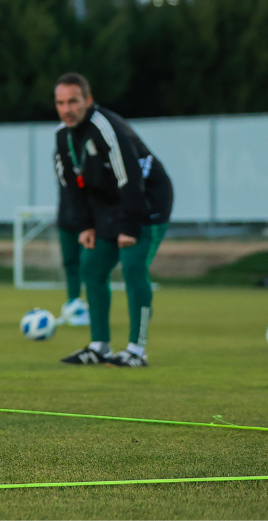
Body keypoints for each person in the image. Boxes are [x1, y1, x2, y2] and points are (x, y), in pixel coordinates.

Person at [54, 72, 173, 368]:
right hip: (107, 207)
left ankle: (137, 349)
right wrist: (84, 225)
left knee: (133, 267)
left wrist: (129, 225)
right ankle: (99, 346)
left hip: (146, 203)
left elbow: (129, 178)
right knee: (91, 266)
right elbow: (70, 185)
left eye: (73, 101)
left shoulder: (106, 129)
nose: (66, 109)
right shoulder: (62, 137)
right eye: (60, 103)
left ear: (88, 100)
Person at [53, 149, 89, 326]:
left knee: (90, 265)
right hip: (66, 218)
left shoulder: (91, 150)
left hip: (90, 221)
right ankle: (73, 306)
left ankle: (91, 309)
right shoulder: (60, 152)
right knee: (70, 263)